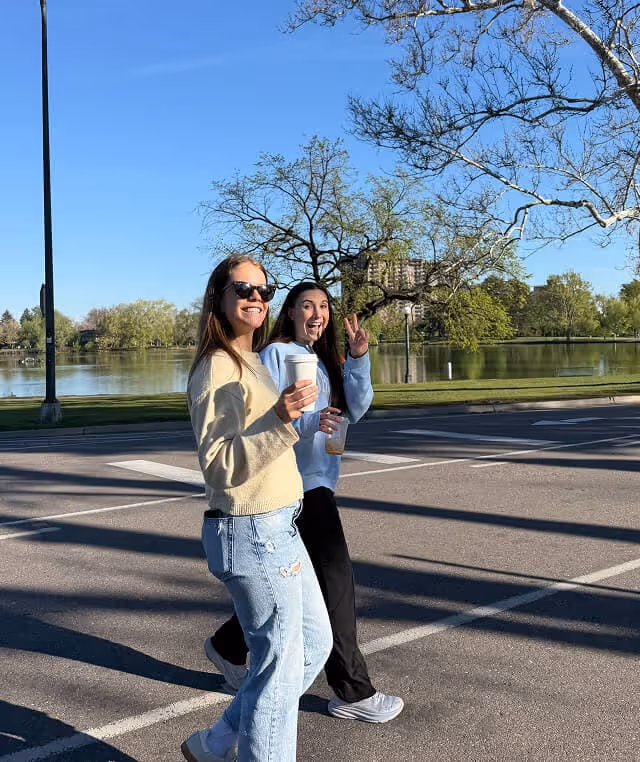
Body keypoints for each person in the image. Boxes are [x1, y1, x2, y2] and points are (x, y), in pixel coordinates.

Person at [205, 281, 404, 724]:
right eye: (308, 306)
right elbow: (270, 418)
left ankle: (228, 646)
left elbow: (357, 408)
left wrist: (357, 359)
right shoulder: (277, 354)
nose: (318, 313)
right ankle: (352, 690)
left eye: (324, 306)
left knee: (305, 586)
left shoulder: (322, 359)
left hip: (318, 481)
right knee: (337, 584)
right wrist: (314, 421)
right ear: (291, 312)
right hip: (298, 483)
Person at [182, 260, 333, 762]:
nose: (257, 296)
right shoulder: (217, 367)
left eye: (264, 288)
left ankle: (218, 742)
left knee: (314, 645)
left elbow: (268, 437)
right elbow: (221, 465)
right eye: (243, 287)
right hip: (251, 532)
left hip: (280, 528)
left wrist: (292, 418)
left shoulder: (251, 362)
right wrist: (282, 418)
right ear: (218, 297)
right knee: (279, 675)